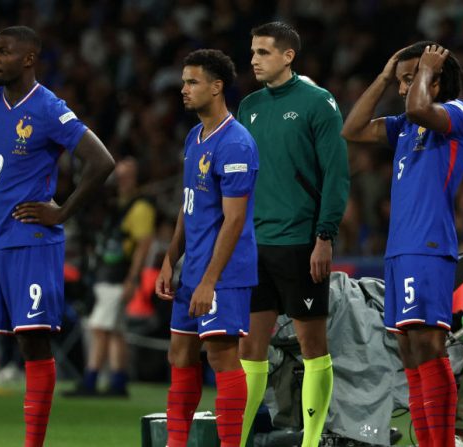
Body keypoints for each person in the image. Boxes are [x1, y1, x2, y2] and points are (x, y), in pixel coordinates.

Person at [0, 26, 114, 447]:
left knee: (32, 342)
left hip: (32, 242)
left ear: (28, 59)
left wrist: (61, 211)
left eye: (3, 52)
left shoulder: (48, 108)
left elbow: (101, 162)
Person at [342, 42, 463, 447]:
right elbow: (352, 129)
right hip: (399, 249)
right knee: (408, 350)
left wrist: (423, 72)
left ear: (435, 80)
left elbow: (420, 107)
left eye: (409, 80)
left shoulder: (458, 114)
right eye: (400, 82)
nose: (402, 90)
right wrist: (385, 76)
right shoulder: (405, 125)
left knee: (429, 345)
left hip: (429, 244)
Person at [237, 22, 349, 447]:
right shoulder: (248, 106)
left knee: (311, 344)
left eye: (263, 52)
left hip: (300, 242)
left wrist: (325, 235)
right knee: (251, 349)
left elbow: (337, 174)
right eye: (252, 52)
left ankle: (312, 440)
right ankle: (238, 438)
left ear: (288, 56)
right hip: (255, 245)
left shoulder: (318, 103)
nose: (254, 60)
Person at [154, 48, 258, 447]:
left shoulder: (236, 143)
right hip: (192, 267)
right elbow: (189, 204)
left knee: (220, 357)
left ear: (216, 87)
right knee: (179, 355)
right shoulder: (194, 136)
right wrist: (169, 259)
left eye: (192, 81)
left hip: (225, 272)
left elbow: (234, 220)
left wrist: (209, 281)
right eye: (184, 81)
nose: (183, 89)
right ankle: (176, 442)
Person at [64, 157, 156, 397]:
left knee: (99, 327)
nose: (121, 180)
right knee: (114, 330)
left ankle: (91, 378)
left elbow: (143, 245)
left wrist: (132, 279)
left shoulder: (140, 207)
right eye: (120, 175)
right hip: (109, 273)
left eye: (127, 175)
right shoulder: (117, 204)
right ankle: (118, 381)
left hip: (118, 275)